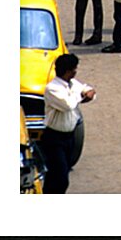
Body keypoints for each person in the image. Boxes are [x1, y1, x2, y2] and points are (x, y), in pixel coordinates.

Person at [40, 53, 96, 193]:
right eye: (74, 69)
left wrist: (88, 92)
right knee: (60, 177)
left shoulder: (72, 84)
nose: (75, 72)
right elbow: (68, 104)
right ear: (67, 71)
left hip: (69, 137)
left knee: (57, 176)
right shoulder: (53, 88)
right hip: (54, 138)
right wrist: (81, 96)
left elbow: (87, 89)